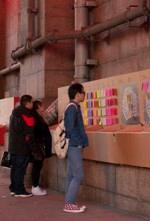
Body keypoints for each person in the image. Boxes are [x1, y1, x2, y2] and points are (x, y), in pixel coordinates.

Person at [63, 83, 88, 213]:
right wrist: (79, 142)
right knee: (78, 175)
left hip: (73, 144)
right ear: (77, 93)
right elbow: (70, 128)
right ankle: (69, 203)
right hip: (74, 145)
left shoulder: (73, 107)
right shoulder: (72, 108)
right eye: (83, 92)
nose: (84, 95)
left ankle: (69, 201)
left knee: (71, 174)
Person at [8, 94, 35, 198]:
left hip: (13, 146)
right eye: (32, 102)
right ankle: (20, 190)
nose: (32, 104)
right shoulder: (26, 114)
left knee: (14, 168)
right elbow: (29, 130)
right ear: (27, 103)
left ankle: (13, 188)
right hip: (22, 146)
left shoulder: (15, 112)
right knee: (20, 169)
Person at [29, 99, 53, 196]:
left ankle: (35, 186)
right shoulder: (36, 118)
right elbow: (40, 132)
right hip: (37, 147)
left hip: (38, 146)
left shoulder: (38, 117)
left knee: (37, 166)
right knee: (37, 166)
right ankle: (35, 187)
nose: (44, 108)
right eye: (42, 106)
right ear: (38, 108)